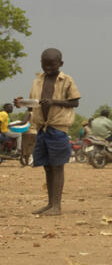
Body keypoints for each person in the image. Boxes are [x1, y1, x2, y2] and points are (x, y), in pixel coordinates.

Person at [14, 48, 81, 215]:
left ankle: (57, 206)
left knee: (57, 166)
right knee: (47, 167)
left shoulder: (67, 80)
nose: (48, 68)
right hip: (41, 128)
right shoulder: (37, 81)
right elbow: (33, 104)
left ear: (60, 64)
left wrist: (54, 102)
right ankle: (50, 203)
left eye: (52, 65)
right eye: (45, 65)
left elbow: (75, 102)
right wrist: (21, 103)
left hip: (57, 128)